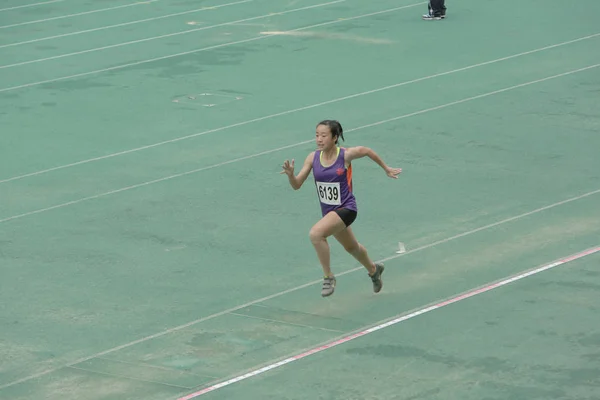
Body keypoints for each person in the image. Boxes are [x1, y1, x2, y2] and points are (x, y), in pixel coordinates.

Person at [280, 120, 402, 297]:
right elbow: (297, 185)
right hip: (330, 214)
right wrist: (291, 175)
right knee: (352, 247)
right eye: (317, 135)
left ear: (335, 137)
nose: (319, 139)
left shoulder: (345, 155)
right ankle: (374, 270)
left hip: (347, 208)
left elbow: (367, 151)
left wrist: (386, 168)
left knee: (316, 234)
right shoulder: (312, 158)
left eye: (324, 135)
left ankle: (328, 277)